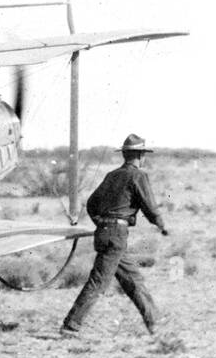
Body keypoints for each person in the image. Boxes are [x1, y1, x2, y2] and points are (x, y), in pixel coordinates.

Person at [62, 134, 169, 336]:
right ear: (140, 155)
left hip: (106, 234)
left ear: (125, 154)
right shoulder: (139, 176)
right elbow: (150, 207)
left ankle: (154, 322)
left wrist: (102, 223)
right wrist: (162, 226)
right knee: (98, 282)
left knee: (133, 280)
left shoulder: (112, 175)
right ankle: (71, 325)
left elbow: (92, 204)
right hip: (116, 235)